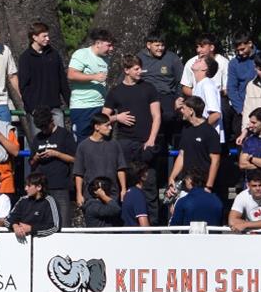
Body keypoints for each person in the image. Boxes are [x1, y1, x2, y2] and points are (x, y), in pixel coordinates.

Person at [103, 53, 160, 213]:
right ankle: (126, 222)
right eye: (136, 69)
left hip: (145, 142)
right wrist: (117, 117)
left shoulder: (149, 88)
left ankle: (153, 226)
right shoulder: (116, 91)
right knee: (125, 184)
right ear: (126, 70)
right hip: (125, 143)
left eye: (140, 68)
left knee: (149, 184)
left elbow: (156, 115)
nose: (140, 71)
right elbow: (103, 117)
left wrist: (151, 139)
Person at [27, 107, 77, 229]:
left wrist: (56, 154)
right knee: (43, 222)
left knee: (63, 223)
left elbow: (75, 159)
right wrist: (37, 157)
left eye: (45, 127)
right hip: (42, 188)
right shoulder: (38, 138)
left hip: (61, 187)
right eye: (41, 128)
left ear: (52, 121)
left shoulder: (65, 135)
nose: (44, 130)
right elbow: (31, 163)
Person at [165, 96, 221, 199]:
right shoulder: (186, 130)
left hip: (203, 187)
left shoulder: (210, 133)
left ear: (191, 111)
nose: (181, 111)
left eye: (183, 108)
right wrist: (172, 177)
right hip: (186, 186)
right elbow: (182, 155)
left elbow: (215, 161)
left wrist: (209, 186)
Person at [17, 21, 70, 130]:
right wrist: (33, 109)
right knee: (40, 144)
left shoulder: (54, 54)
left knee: (59, 142)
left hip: (55, 108)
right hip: (37, 111)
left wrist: (70, 102)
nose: (48, 38)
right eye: (44, 36)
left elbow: (62, 82)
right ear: (34, 37)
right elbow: (23, 86)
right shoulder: (25, 58)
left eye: (48, 35)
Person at [72, 113, 128, 213]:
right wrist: (79, 194)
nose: (110, 128)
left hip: (112, 194)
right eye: (107, 125)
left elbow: (121, 168)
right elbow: (78, 173)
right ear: (97, 127)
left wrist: (123, 189)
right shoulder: (83, 146)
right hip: (91, 196)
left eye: (110, 125)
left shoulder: (114, 145)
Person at [66, 28, 115, 140]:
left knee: (102, 142)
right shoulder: (82, 54)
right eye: (109, 45)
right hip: (82, 107)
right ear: (98, 43)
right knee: (82, 143)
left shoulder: (106, 58)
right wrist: (94, 77)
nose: (111, 49)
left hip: (100, 107)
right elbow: (71, 75)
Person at [137, 31, 184, 143]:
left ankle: (167, 144)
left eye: (162, 45)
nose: (160, 48)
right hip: (145, 95)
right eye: (157, 45)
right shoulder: (139, 58)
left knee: (168, 116)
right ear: (149, 45)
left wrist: (179, 97)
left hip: (165, 95)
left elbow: (181, 81)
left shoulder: (172, 58)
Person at [225, 34, 259, 139]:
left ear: (250, 43)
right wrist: (241, 109)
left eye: (243, 49)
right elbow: (232, 88)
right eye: (237, 50)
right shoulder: (234, 63)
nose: (240, 53)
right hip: (242, 108)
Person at [184, 55, 225, 141]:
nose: (196, 60)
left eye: (200, 60)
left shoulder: (207, 85)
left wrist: (200, 129)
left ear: (205, 68)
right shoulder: (199, 86)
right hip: (201, 137)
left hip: (209, 138)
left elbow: (216, 114)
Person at [179, 35, 229, 102]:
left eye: (202, 47)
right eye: (197, 47)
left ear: (211, 47)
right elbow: (185, 87)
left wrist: (212, 95)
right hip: (197, 102)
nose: (198, 50)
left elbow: (227, 89)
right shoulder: (191, 63)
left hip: (219, 100)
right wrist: (198, 95)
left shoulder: (224, 63)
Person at [9, 173, 59, 238]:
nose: (25, 188)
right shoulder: (23, 200)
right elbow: (8, 219)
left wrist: (31, 229)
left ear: (39, 187)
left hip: (42, 244)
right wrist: (15, 226)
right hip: (21, 243)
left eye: (29, 186)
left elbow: (55, 227)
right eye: (25, 185)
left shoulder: (49, 201)